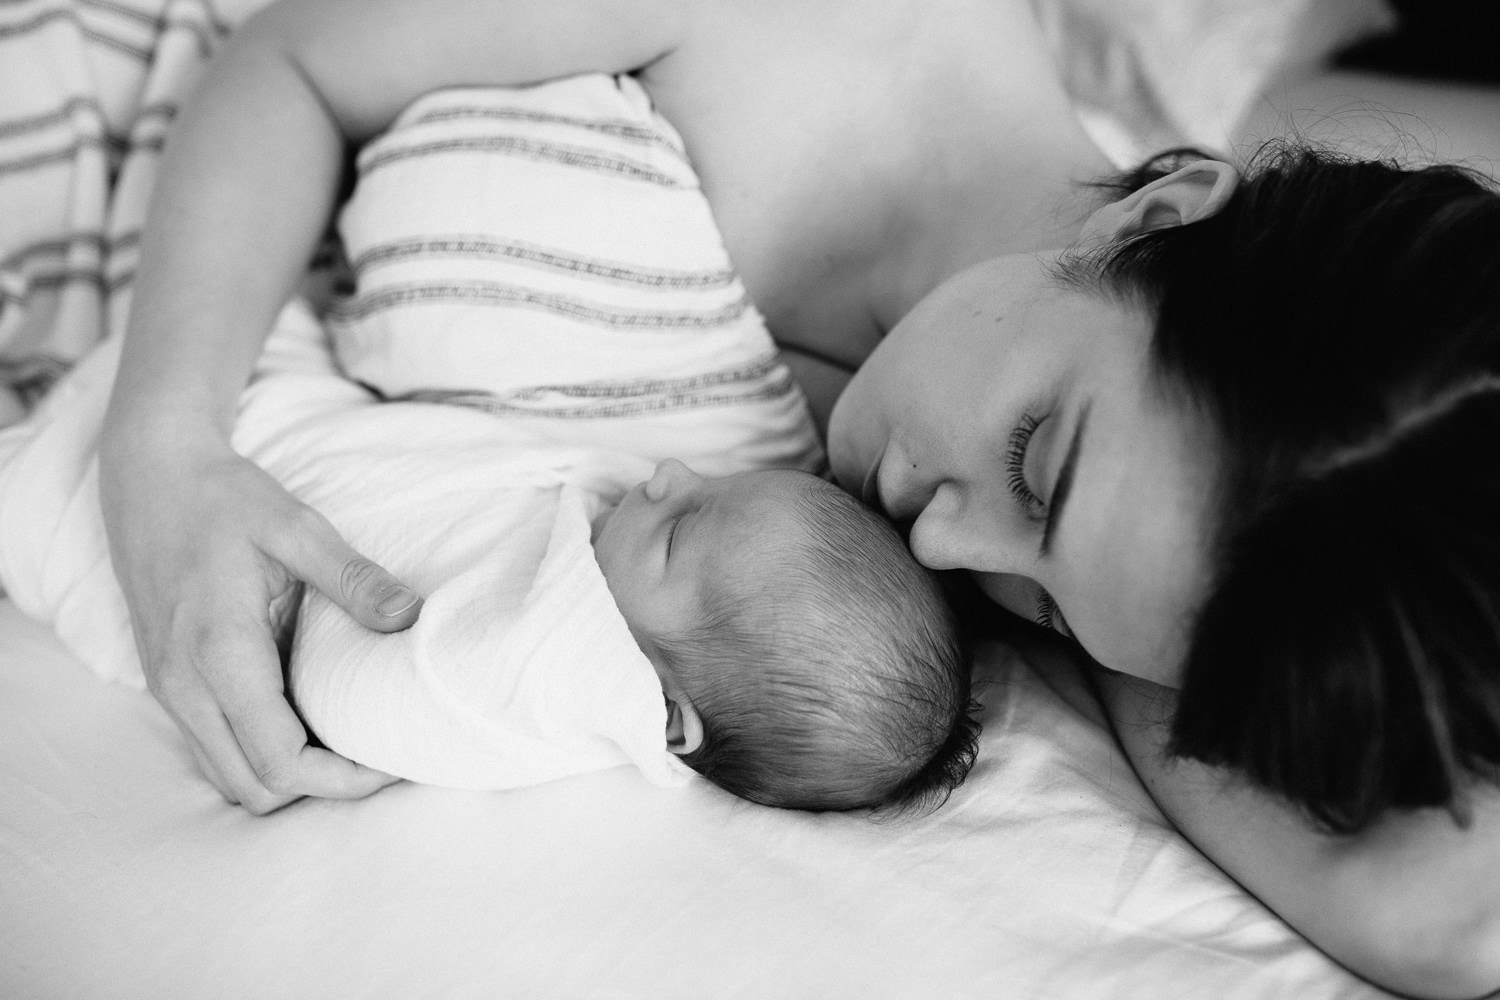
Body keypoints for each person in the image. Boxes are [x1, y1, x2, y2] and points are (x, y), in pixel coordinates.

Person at [98, 0, 1500, 994]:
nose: (942, 547)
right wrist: (163, 444)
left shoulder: (1119, 547)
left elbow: (1450, 924)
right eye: (1035, 464)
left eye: (1052, 618)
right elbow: (287, 63)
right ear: (1154, 219)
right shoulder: (792, 24)